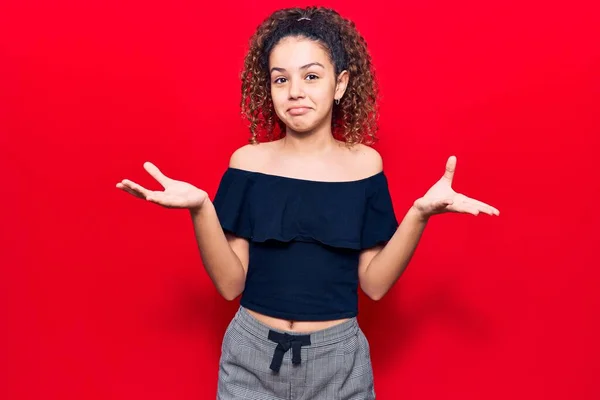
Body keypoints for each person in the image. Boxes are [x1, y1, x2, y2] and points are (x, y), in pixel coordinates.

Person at [116, 6, 500, 399]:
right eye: (280, 79)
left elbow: (376, 285)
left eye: (311, 76)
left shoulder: (365, 166)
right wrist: (201, 209)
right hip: (251, 356)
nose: (295, 90)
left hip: (339, 362)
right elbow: (230, 286)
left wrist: (419, 214)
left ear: (340, 84)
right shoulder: (247, 163)